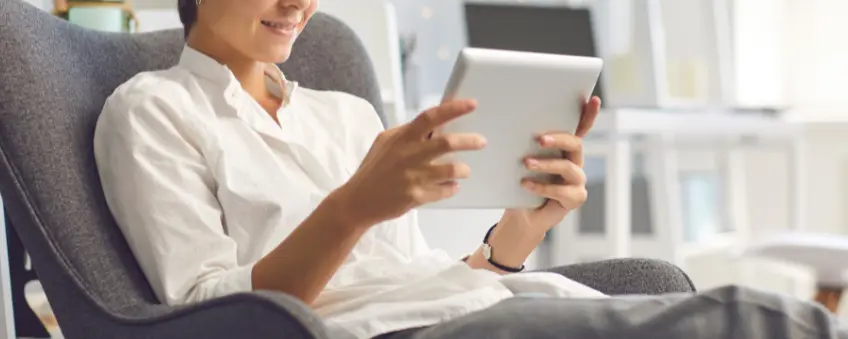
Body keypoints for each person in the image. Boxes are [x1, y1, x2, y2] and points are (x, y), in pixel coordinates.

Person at [92, 0, 846, 338]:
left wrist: (519, 230)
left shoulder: (346, 116)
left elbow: (415, 272)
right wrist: (352, 208)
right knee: (758, 319)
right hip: (388, 334)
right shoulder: (153, 110)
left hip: (467, 308)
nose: (299, 3)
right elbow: (208, 317)